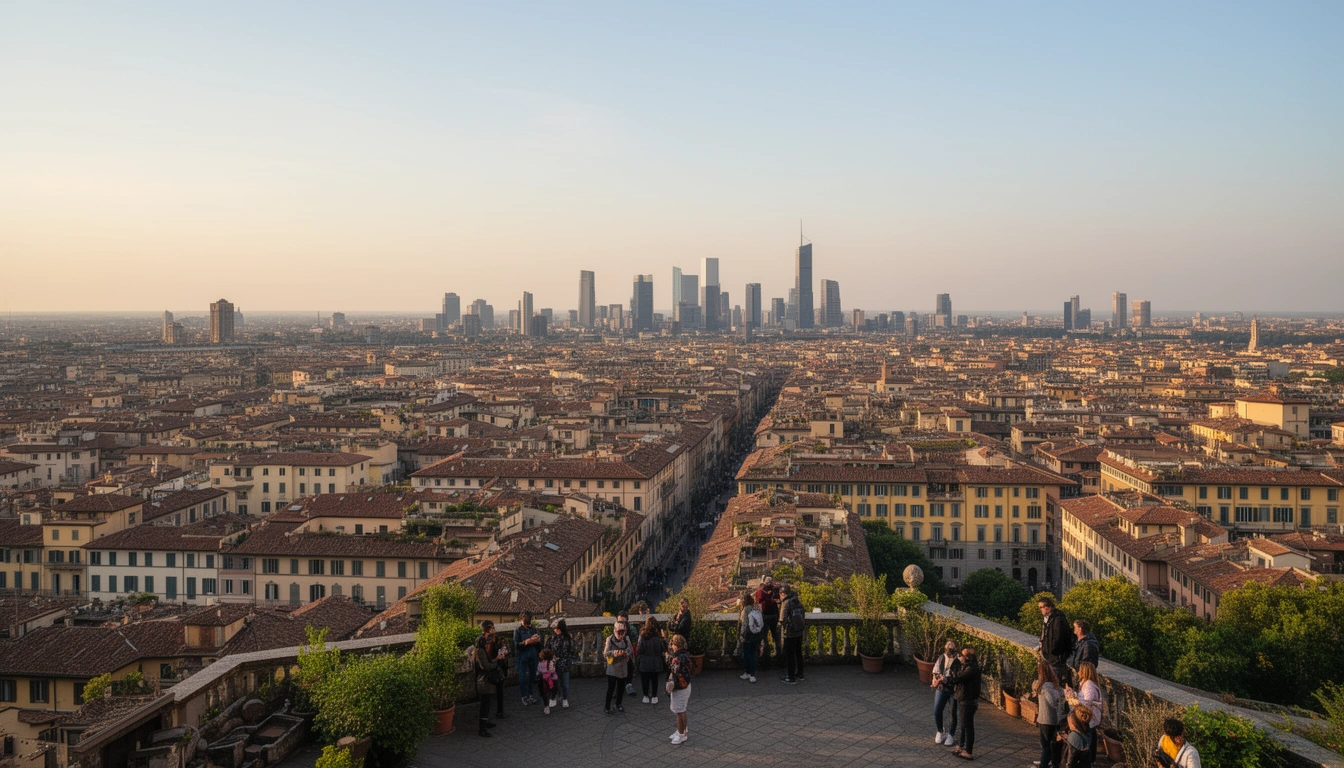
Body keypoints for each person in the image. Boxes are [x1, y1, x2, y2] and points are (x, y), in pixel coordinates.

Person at [472, 620, 508, 737]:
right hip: (483, 681)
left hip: (485, 680)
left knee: (487, 703)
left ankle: (485, 723)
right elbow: (485, 666)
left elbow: (488, 662)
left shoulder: (481, 650)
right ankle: (482, 729)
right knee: (485, 704)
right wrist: (496, 663)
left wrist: (496, 659)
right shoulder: (479, 651)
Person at [945, 646, 981, 760]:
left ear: (967, 657)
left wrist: (947, 678)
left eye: (961, 656)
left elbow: (959, 678)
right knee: (964, 725)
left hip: (968, 701)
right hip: (964, 699)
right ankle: (962, 746)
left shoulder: (972, 669)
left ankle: (968, 751)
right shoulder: (967, 667)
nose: (959, 657)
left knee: (968, 726)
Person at [1066, 661, 1105, 764]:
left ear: (1084, 672)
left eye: (1080, 670)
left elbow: (1086, 704)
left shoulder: (1089, 686)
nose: (1078, 673)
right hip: (1089, 719)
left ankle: (1089, 761)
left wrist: (1071, 698)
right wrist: (1072, 693)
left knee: (1088, 740)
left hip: (1089, 719)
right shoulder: (1086, 684)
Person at [1032, 659, 1066, 768]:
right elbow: (1055, 700)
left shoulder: (1043, 686)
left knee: (1046, 744)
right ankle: (1052, 763)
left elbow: (1052, 701)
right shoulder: (1052, 686)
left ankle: (1044, 764)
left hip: (1044, 720)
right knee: (1053, 744)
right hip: (1051, 719)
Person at [931, 640, 960, 747]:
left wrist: (946, 679)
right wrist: (935, 678)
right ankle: (940, 731)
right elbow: (935, 670)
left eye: (952, 647)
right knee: (937, 710)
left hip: (953, 689)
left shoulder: (958, 660)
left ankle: (951, 734)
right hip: (941, 688)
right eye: (948, 646)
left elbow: (958, 676)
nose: (949, 648)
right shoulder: (941, 658)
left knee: (952, 713)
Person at [1038, 597, 1075, 684]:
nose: (1040, 610)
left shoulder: (1058, 619)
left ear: (1049, 607)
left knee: (1055, 682)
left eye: (1041, 607)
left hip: (1056, 658)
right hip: (1051, 657)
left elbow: (1058, 638)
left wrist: (1052, 652)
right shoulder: (1049, 619)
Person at [666, 633, 693, 744]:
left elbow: (673, 670)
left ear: (676, 645)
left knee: (679, 711)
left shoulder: (677, 659)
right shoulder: (686, 655)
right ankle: (683, 731)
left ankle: (681, 734)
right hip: (686, 686)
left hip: (679, 688)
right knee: (683, 709)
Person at [544, 618, 577, 708]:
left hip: (564, 664)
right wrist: (551, 656)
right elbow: (546, 650)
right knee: (553, 682)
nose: (555, 630)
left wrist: (567, 659)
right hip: (554, 665)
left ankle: (564, 698)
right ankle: (553, 697)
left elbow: (573, 651)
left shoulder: (568, 639)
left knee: (565, 683)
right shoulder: (552, 639)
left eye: (556, 628)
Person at [513, 611, 542, 706]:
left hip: (533, 656)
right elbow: (516, 645)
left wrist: (537, 640)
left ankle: (530, 694)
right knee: (522, 677)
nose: (529, 622)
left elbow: (539, 645)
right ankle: (524, 696)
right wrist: (527, 642)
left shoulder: (533, 629)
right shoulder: (517, 630)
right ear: (522, 619)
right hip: (522, 656)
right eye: (527, 620)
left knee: (532, 676)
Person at [603, 621, 633, 714]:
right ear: (615, 631)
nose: (621, 635)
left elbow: (630, 650)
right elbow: (606, 653)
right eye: (619, 632)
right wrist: (615, 653)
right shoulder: (610, 639)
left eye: (623, 632)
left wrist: (626, 653)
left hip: (623, 666)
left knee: (621, 687)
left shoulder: (626, 639)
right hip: (613, 667)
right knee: (611, 688)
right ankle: (607, 707)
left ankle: (618, 704)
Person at [779, 583, 807, 684]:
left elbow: (782, 619)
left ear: (782, 593)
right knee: (798, 653)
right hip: (799, 631)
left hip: (790, 633)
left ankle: (791, 677)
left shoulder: (786, 603)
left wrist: (781, 625)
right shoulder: (797, 601)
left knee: (790, 655)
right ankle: (800, 674)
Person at [636, 617, 667, 704]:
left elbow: (639, 649)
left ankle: (645, 696)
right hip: (655, 661)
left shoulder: (643, 636)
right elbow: (663, 648)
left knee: (645, 680)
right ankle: (654, 696)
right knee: (654, 680)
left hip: (645, 661)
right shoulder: (658, 637)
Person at [754, 575, 782, 663]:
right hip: (774, 615)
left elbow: (758, 603)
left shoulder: (759, 592)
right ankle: (779, 656)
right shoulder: (775, 591)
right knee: (776, 637)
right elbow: (779, 600)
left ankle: (765, 657)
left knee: (764, 638)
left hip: (764, 616)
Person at [738, 591, 763, 683]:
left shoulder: (746, 610)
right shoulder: (756, 608)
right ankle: (752, 674)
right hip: (756, 634)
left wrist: (742, 634)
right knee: (753, 655)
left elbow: (745, 624)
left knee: (747, 654)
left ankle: (748, 673)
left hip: (748, 635)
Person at [617, 611, 636, 696]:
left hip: (628, 652)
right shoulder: (615, 628)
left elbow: (634, 640)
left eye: (623, 621)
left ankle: (628, 684)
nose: (621, 623)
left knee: (629, 668)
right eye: (619, 621)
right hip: (618, 652)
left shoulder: (631, 628)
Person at [537, 649, 558, 714]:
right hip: (551, 679)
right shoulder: (551, 662)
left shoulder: (540, 663)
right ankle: (553, 698)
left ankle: (546, 706)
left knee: (544, 694)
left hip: (544, 679)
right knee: (553, 690)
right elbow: (552, 670)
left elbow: (538, 671)